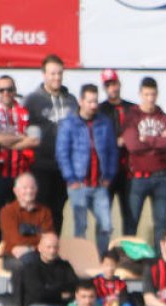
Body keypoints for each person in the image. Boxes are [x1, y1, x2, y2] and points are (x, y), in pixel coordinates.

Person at [0, 75, 39, 274]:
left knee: (22, 217)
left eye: (9, 89)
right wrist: (20, 138)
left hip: (21, 174)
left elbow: (34, 141)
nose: (6, 93)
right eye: (2, 90)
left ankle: (22, 260)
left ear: (15, 90)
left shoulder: (25, 113)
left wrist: (10, 140)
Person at [57, 83, 118, 255]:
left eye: (95, 101)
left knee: (106, 225)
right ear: (81, 101)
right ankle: (81, 259)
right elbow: (62, 153)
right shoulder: (69, 123)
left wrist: (109, 175)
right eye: (89, 101)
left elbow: (112, 150)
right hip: (79, 183)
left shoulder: (104, 122)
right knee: (80, 225)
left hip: (99, 184)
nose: (93, 105)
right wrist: (71, 179)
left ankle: (102, 259)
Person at [24, 54, 79, 233]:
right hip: (40, 164)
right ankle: (39, 252)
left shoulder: (71, 100)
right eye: (52, 73)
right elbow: (24, 130)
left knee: (58, 210)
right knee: (40, 209)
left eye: (59, 73)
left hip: (63, 167)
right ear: (44, 74)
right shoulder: (33, 100)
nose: (56, 77)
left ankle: (54, 251)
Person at [122, 77, 166, 240]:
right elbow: (132, 145)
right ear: (140, 94)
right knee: (131, 222)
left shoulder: (165, 118)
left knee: (161, 223)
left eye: (153, 94)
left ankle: (160, 260)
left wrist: (147, 139)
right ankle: (128, 260)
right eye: (146, 94)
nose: (150, 98)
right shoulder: (132, 117)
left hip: (161, 177)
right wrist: (160, 141)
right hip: (137, 177)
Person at [0, 172, 54, 297]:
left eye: (32, 188)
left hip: (40, 254)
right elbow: (15, 239)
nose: (29, 191)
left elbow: (50, 238)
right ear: (16, 191)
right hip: (12, 256)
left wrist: (31, 247)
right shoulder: (7, 211)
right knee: (25, 266)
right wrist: (39, 239)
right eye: (24, 188)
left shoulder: (45, 212)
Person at [100, 69, 137, 235]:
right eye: (108, 85)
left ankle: (129, 255)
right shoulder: (100, 109)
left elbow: (138, 132)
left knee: (129, 215)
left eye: (114, 83)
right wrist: (114, 142)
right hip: (107, 170)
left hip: (128, 170)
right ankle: (103, 255)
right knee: (104, 217)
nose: (112, 88)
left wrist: (127, 140)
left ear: (119, 84)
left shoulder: (132, 108)